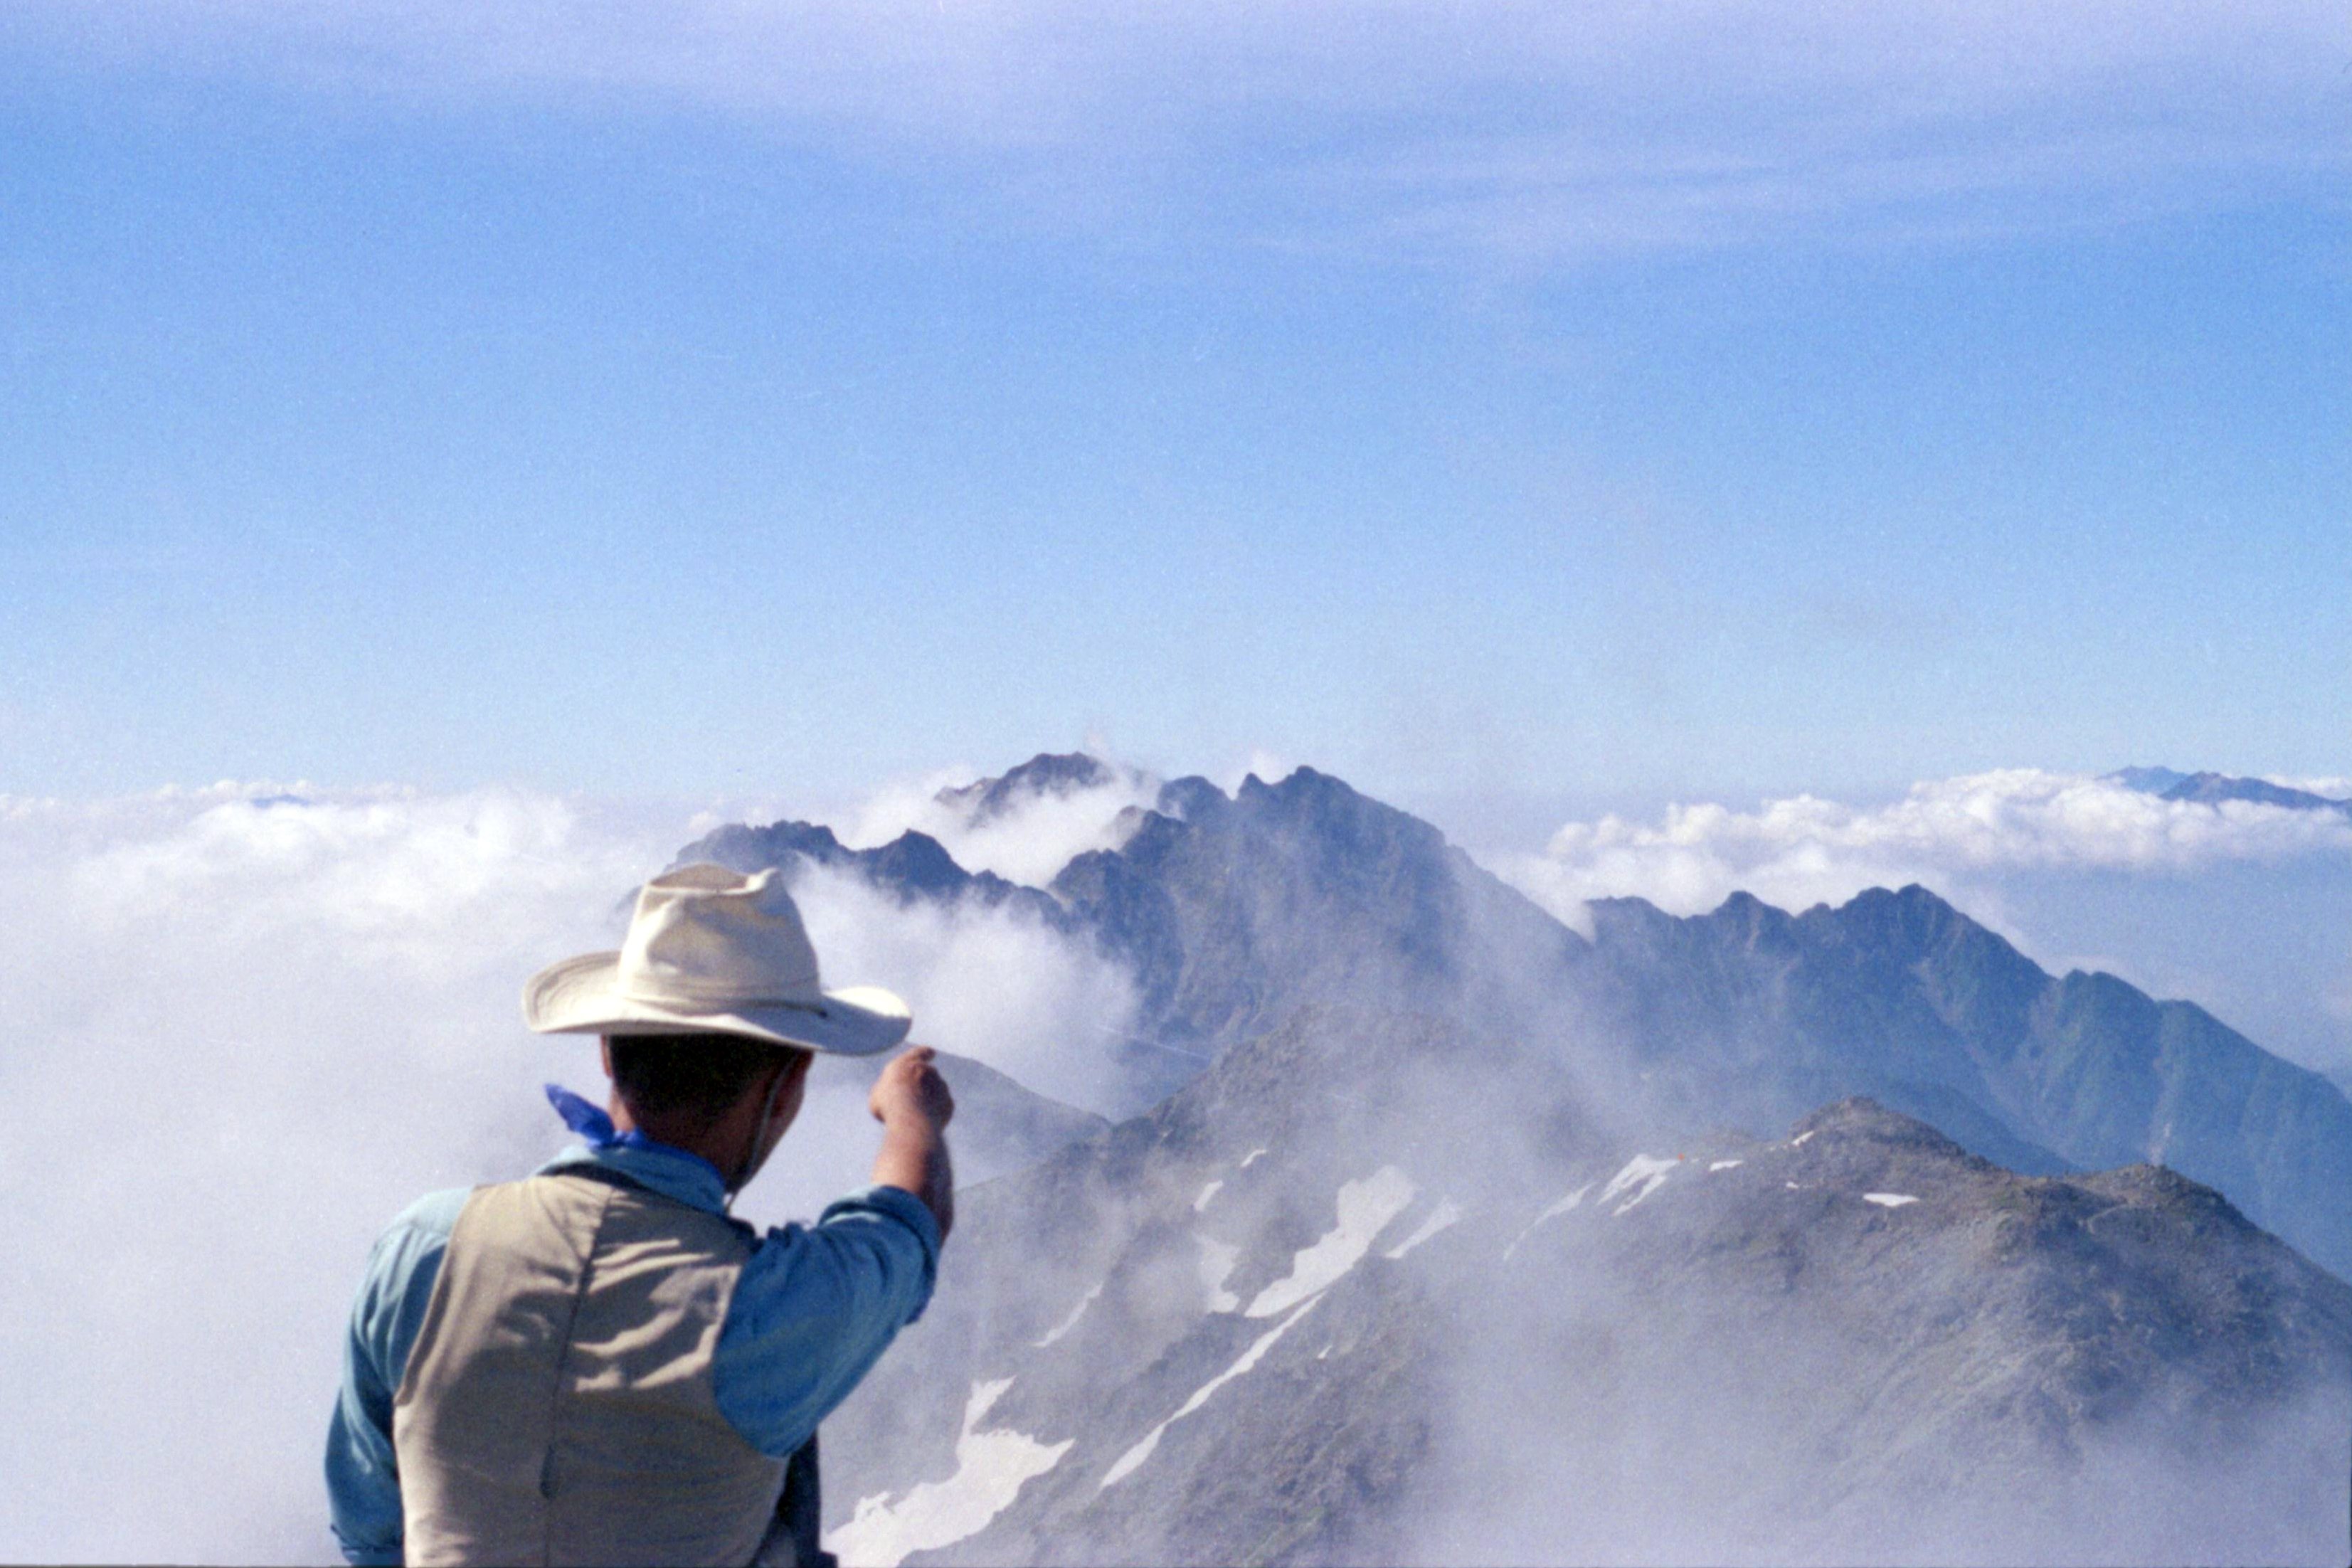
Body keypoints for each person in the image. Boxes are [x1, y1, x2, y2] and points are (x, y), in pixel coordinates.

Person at [324, 863, 954, 1567]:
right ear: (787, 1084)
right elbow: (906, 1227)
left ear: (605, 1049)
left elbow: (370, 1525)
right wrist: (910, 1112)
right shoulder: (766, 1305)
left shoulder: (422, 1250)